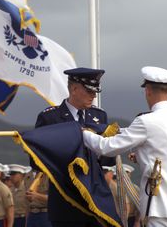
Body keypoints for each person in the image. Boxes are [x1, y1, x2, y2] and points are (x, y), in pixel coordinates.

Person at [83, 66, 167, 227]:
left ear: (148, 91)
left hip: (159, 205)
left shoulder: (146, 121)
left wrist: (83, 133)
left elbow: (107, 147)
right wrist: (143, 157)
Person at [34, 67, 112, 227]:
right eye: (89, 91)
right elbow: (37, 159)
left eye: (95, 91)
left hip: (95, 200)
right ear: (75, 89)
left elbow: (108, 159)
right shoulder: (50, 118)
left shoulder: (100, 116)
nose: (94, 95)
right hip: (66, 200)